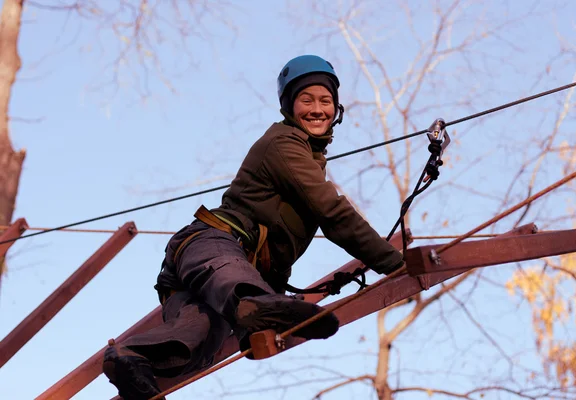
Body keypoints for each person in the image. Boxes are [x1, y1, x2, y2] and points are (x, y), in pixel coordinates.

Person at [102, 55, 405, 400]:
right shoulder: (284, 143)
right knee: (234, 283)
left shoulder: (307, 158)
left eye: (326, 101)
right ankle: (256, 305)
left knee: (200, 337)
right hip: (213, 244)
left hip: (197, 278)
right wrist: (393, 261)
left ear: (337, 109)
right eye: (307, 100)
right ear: (289, 107)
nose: (318, 109)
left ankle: (131, 358)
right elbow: (332, 212)